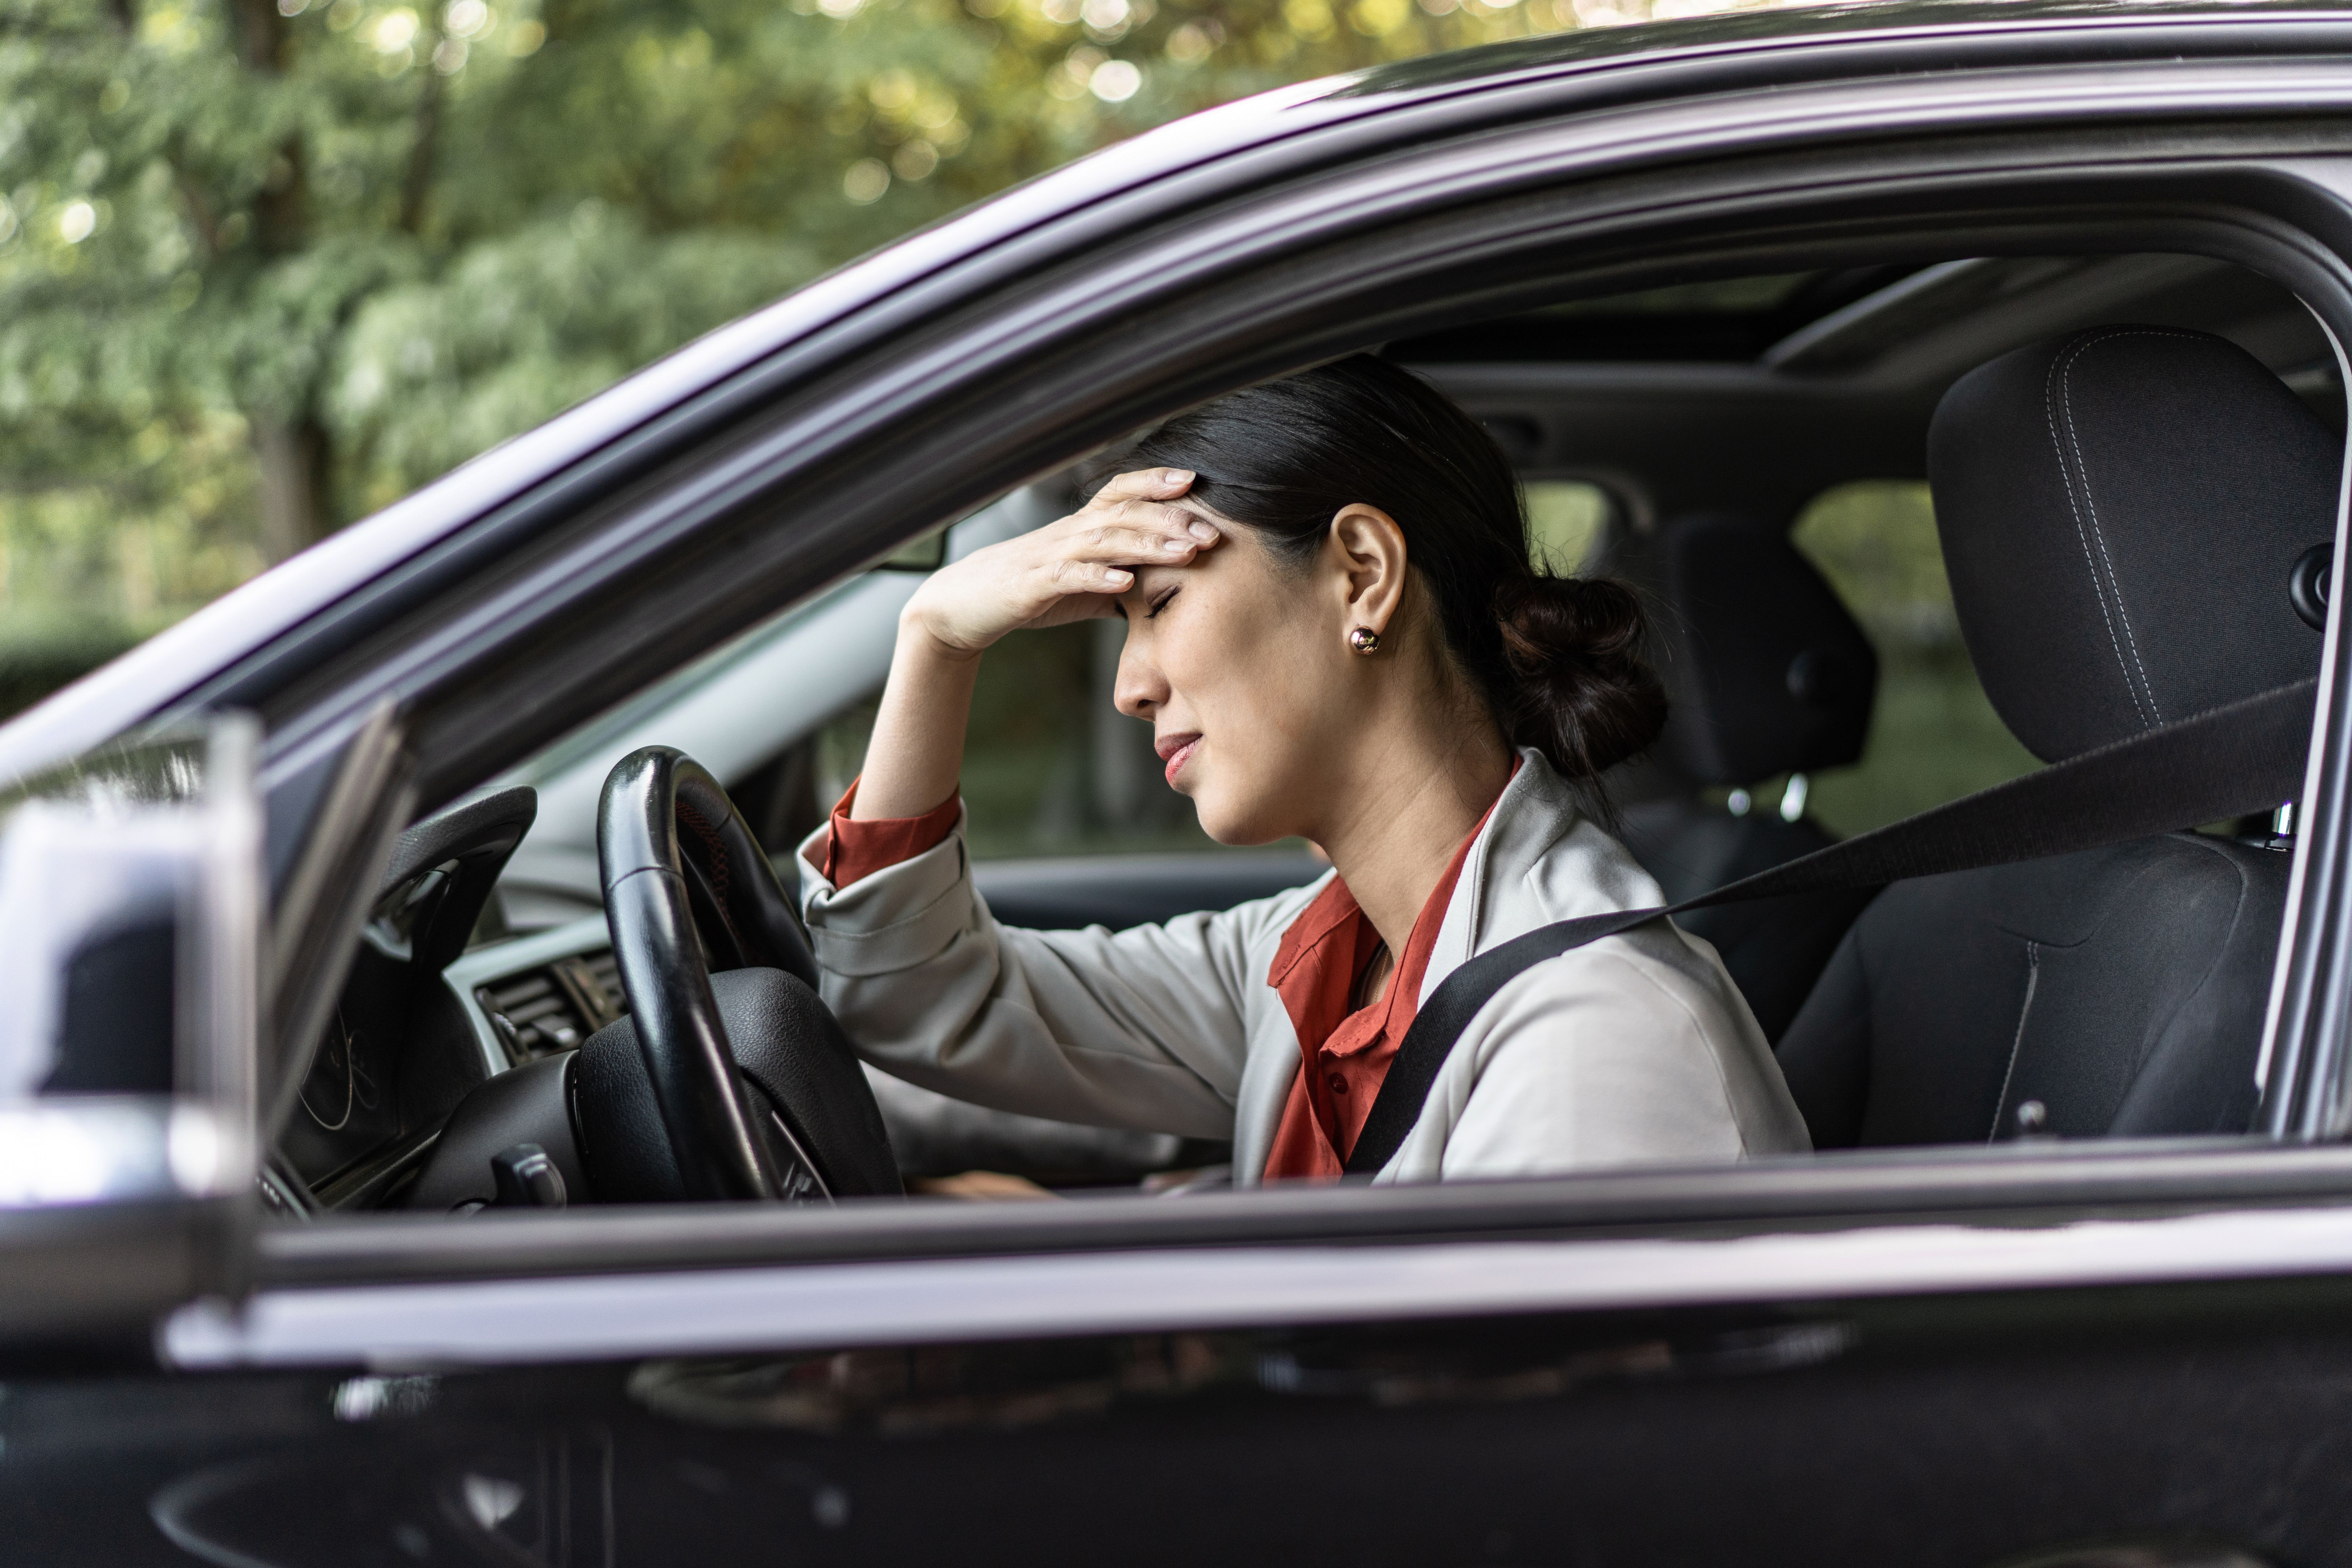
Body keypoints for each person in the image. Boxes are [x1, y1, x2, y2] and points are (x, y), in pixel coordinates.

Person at [795, 356, 1809, 1185]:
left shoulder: (1598, 1031)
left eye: (1156, 606)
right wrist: (935, 637)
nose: (1130, 688)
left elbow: (1488, 1435)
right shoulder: (1309, 959)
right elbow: (917, 997)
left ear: (1362, 576)